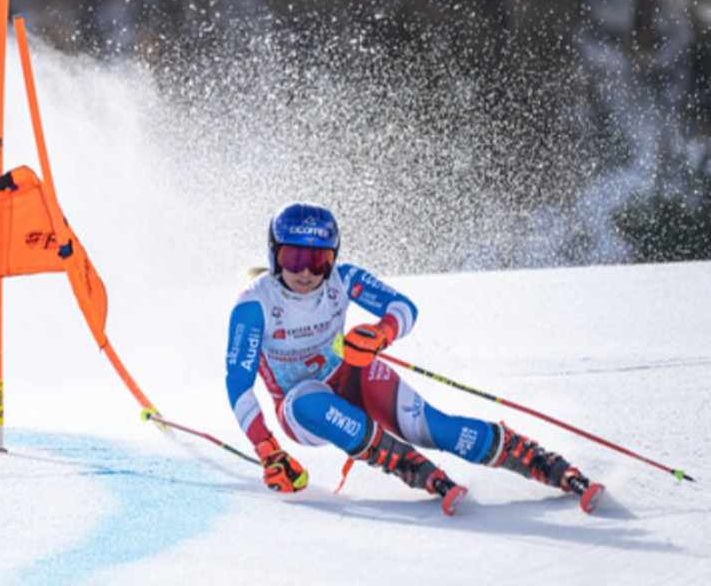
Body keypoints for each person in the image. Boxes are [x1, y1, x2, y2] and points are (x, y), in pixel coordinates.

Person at [224, 202, 600, 515]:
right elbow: (238, 384)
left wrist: (381, 333)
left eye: (319, 260)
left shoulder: (343, 279)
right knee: (308, 400)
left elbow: (403, 307)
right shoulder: (255, 305)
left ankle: (545, 464)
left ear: (333, 258)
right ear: (274, 256)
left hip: (350, 375)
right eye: (294, 258)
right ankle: (406, 464)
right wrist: (268, 449)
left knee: (436, 428)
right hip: (300, 410)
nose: (306, 272)